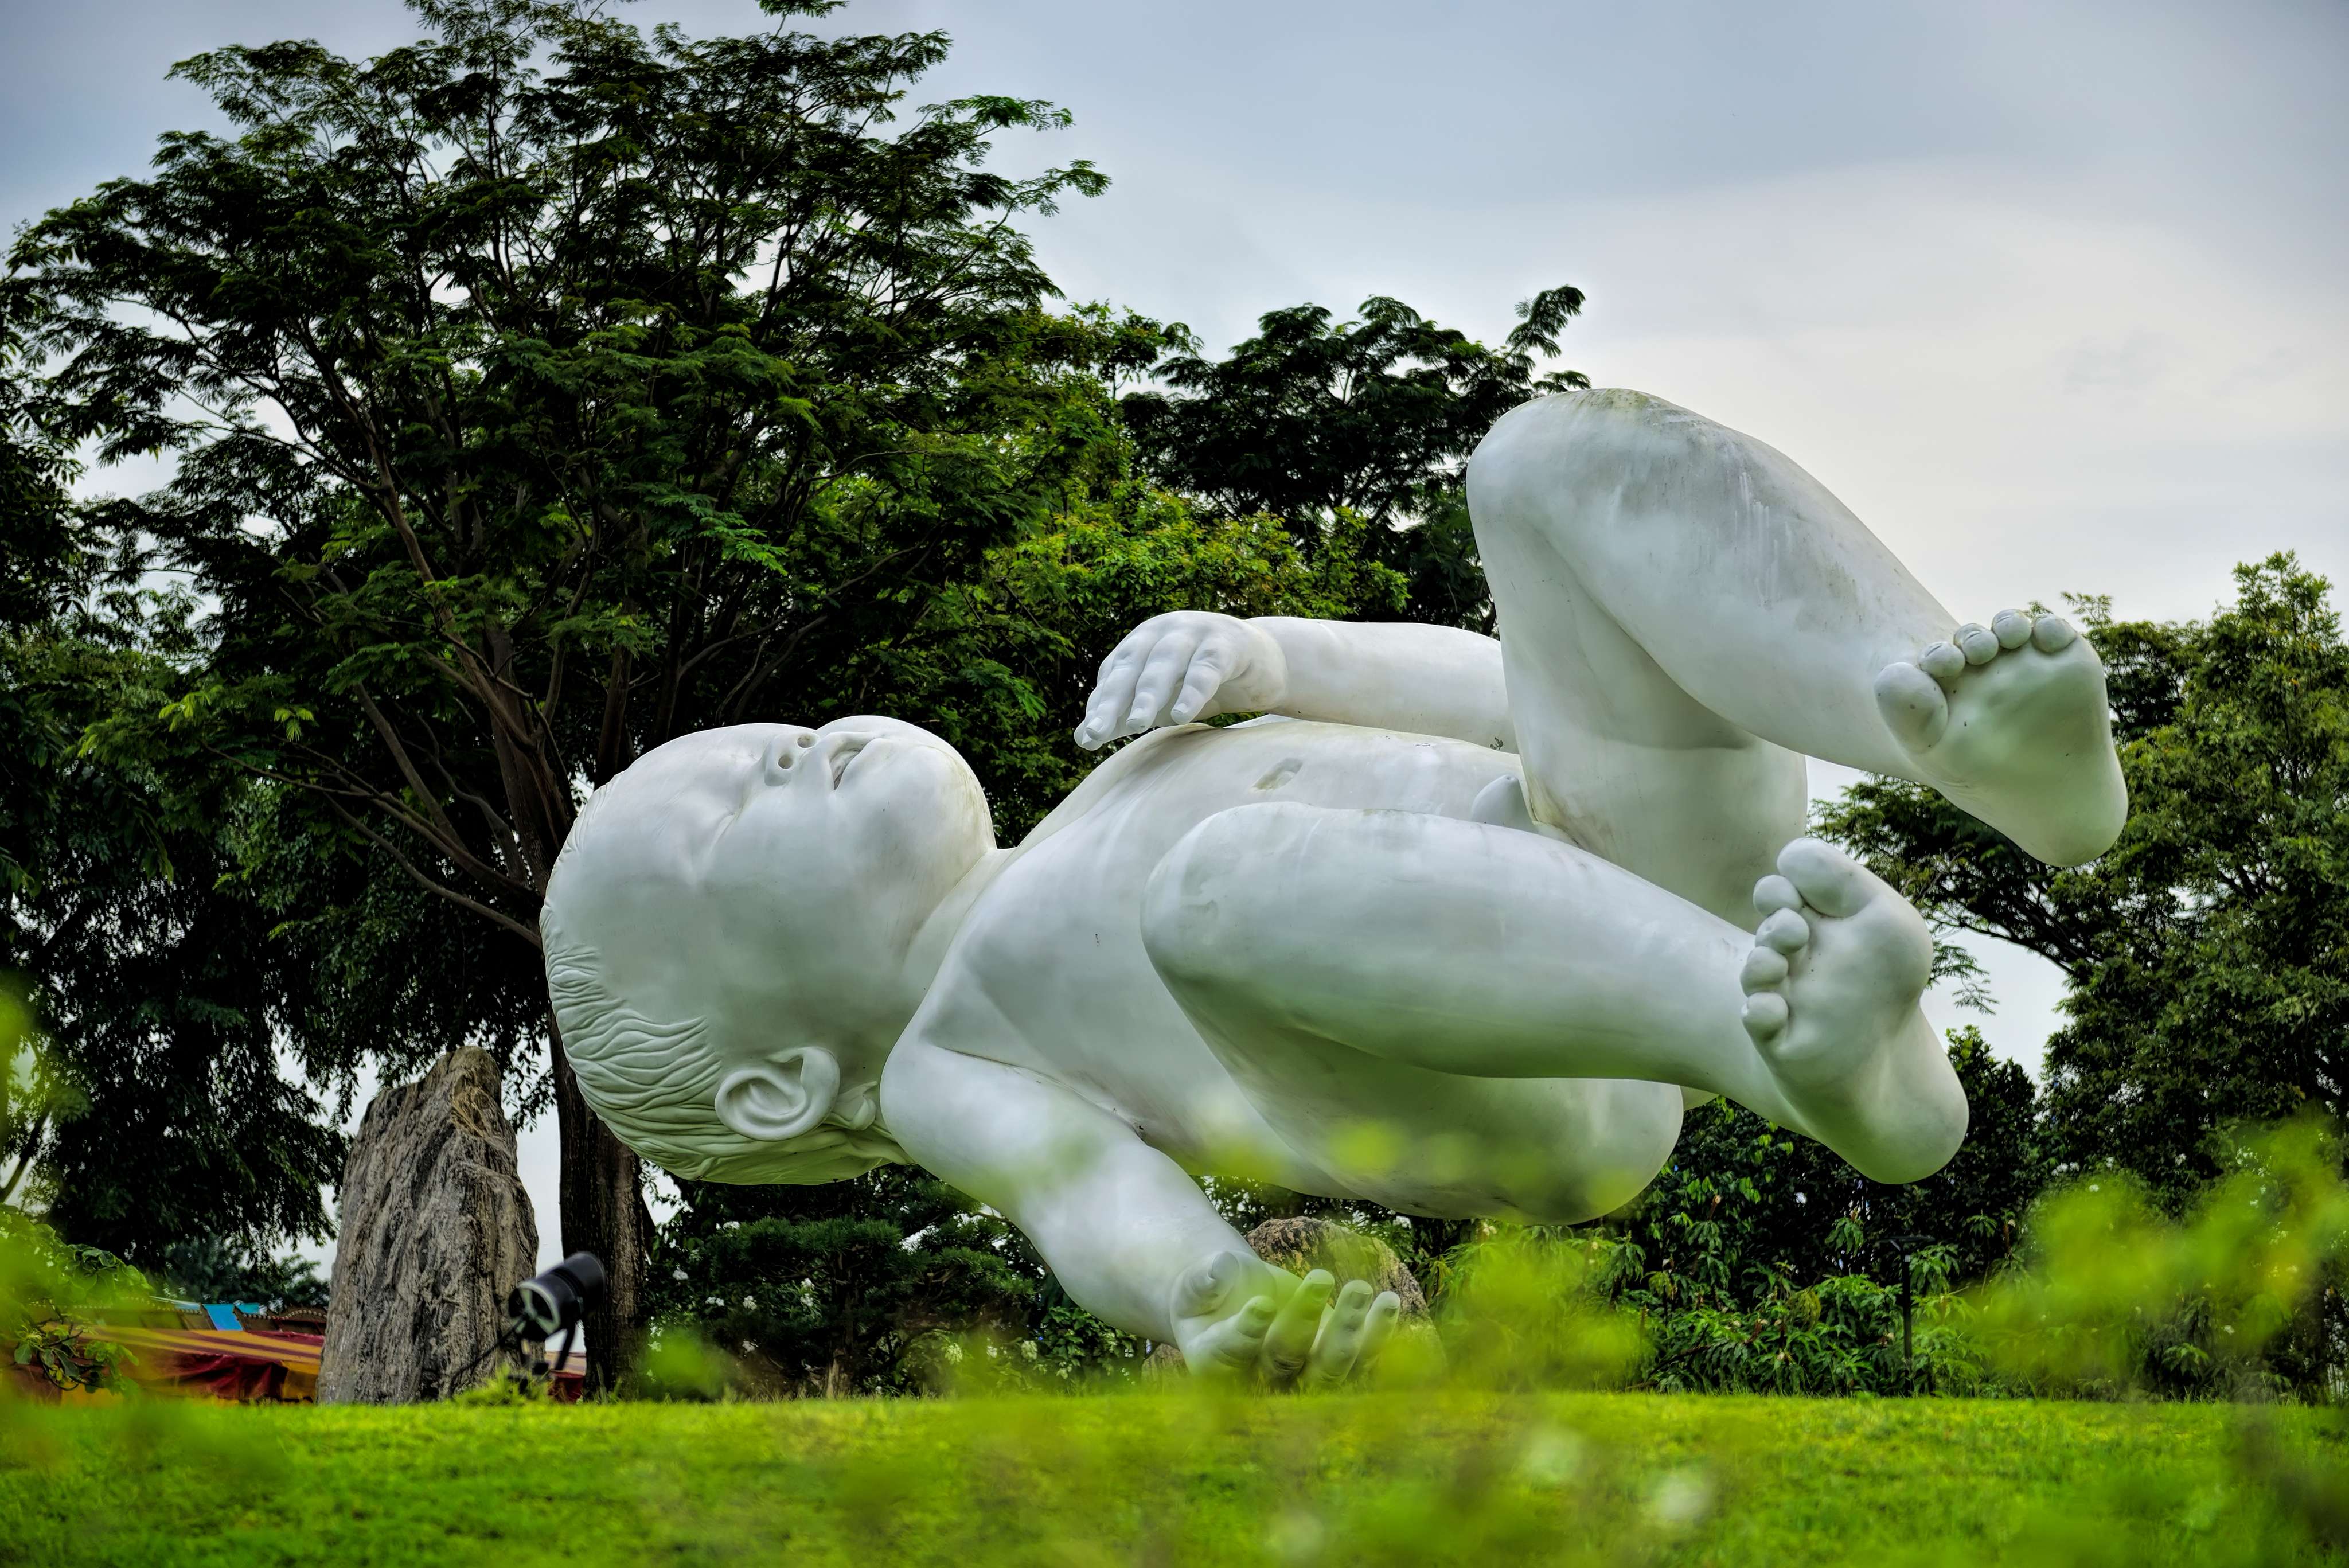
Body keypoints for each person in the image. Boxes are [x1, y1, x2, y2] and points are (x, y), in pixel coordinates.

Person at [539, 389, 2127, 1384]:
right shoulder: (954, 1055)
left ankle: (1936, 725)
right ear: (775, 1086)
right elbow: (1089, 1199)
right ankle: (1801, 1052)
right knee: (1219, 887)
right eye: (723, 821)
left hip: (1610, 845)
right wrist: (1213, 1297)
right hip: (1530, 1076)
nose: (783, 752)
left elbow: (1502, 698)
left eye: (759, 739)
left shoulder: (1121, 784)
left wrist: (1271, 654)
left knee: (1554, 460)